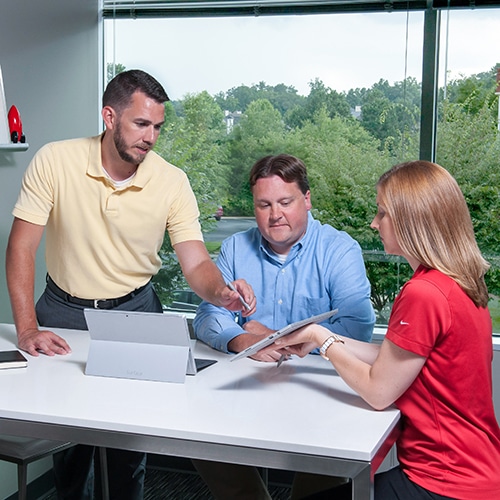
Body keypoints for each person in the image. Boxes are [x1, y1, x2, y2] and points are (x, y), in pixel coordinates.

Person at [5, 69, 255, 500]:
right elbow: (21, 247)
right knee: (71, 451)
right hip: (64, 312)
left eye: (157, 126)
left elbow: (195, 261)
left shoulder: (171, 180)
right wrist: (26, 327)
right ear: (109, 116)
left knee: (130, 444)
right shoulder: (54, 159)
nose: (151, 137)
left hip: (137, 313)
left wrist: (222, 292)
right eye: (141, 124)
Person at [271, 160, 500, 500]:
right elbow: (400, 358)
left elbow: (379, 392)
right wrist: (313, 336)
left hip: (444, 480)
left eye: (382, 213)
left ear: (411, 219)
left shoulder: (423, 293)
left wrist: (323, 338)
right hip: (478, 467)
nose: (374, 223)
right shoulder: (459, 282)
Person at [192, 153, 375, 499]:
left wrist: (281, 337)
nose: (275, 214)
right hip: (249, 385)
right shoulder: (234, 249)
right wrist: (245, 338)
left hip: (317, 391)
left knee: (324, 470)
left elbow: (356, 327)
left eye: (285, 202)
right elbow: (208, 317)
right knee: (200, 438)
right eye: (264, 204)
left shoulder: (339, 250)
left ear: (306, 201)